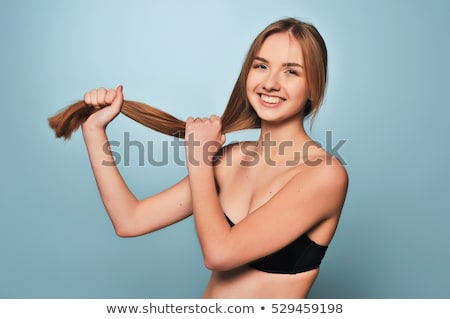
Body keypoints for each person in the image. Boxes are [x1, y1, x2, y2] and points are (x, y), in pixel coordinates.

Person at [50, 17, 348, 298]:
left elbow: (219, 254)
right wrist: (94, 131)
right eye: (261, 66)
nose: (270, 82)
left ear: (313, 87)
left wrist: (198, 161)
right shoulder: (230, 159)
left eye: (291, 71)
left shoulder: (323, 175)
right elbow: (130, 220)